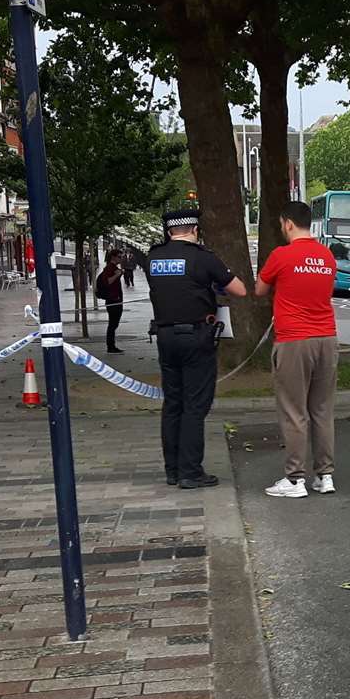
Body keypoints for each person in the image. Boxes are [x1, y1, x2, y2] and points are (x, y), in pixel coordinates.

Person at [147, 208, 245, 489]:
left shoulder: (154, 258)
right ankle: (191, 471)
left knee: (173, 403)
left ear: (169, 232)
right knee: (194, 406)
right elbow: (239, 290)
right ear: (195, 230)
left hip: (165, 338)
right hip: (196, 339)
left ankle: (173, 470)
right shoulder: (203, 258)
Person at [255, 201, 338, 499]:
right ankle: (325, 476)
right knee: (322, 410)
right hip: (327, 338)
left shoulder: (281, 255)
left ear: (288, 223)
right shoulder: (327, 256)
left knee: (294, 411)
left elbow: (259, 289)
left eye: (281, 224)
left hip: (294, 340)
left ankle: (294, 480)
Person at [95, 249, 127, 353]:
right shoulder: (109, 268)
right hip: (113, 300)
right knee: (113, 324)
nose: (120, 259)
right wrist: (117, 274)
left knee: (114, 323)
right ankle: (110, 346)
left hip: (115, 299)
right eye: (119, 256)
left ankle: (111, 345)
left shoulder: (113, 268)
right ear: (113, 257)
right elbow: (107, 282)